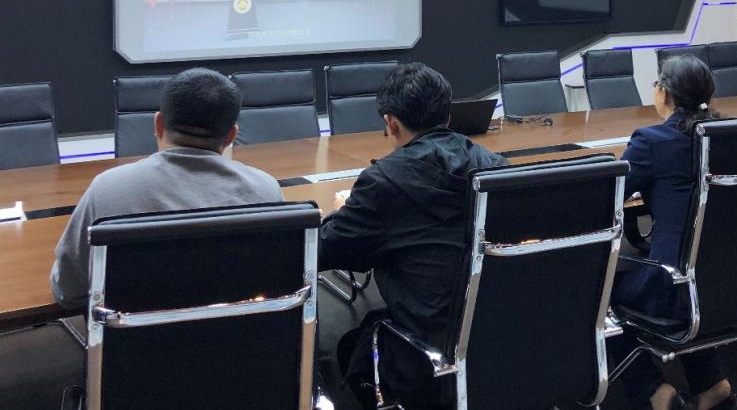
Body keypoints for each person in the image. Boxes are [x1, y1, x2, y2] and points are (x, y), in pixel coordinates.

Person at [318, 62, 506, 409]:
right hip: (499, 339)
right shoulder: (496, 167)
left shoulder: (384, 183)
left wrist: (344, 212)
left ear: (391, 122)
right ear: (448, 115)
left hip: (428, 359)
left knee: (344, 350)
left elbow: (325, 250)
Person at [50, 68, 283, 308]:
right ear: (231, 135)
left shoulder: (108, 188)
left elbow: (69, 290)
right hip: (239, 330)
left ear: (158, 123)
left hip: (138, 331)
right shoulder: (266, 190)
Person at [608, 55, 737, 410]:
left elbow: (609, 199)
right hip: (731, 278)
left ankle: (653, 391)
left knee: (596, 296)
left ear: (664, 93)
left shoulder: (651, 141)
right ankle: (712, 384)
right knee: (690, 267)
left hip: (674, 286)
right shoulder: (730, 136)